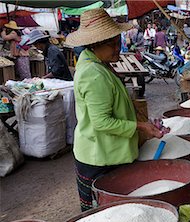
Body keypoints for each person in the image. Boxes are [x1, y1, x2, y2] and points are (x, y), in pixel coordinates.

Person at [66, 8, 164, 211]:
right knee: (106, 213)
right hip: (100, 157)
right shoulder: (93, 74)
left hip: (106, 152)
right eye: (111, 44)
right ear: (94, 45)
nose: (117, 47)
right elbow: (102, 122)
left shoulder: (98, 64)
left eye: (117, 41)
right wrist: (141, 127)